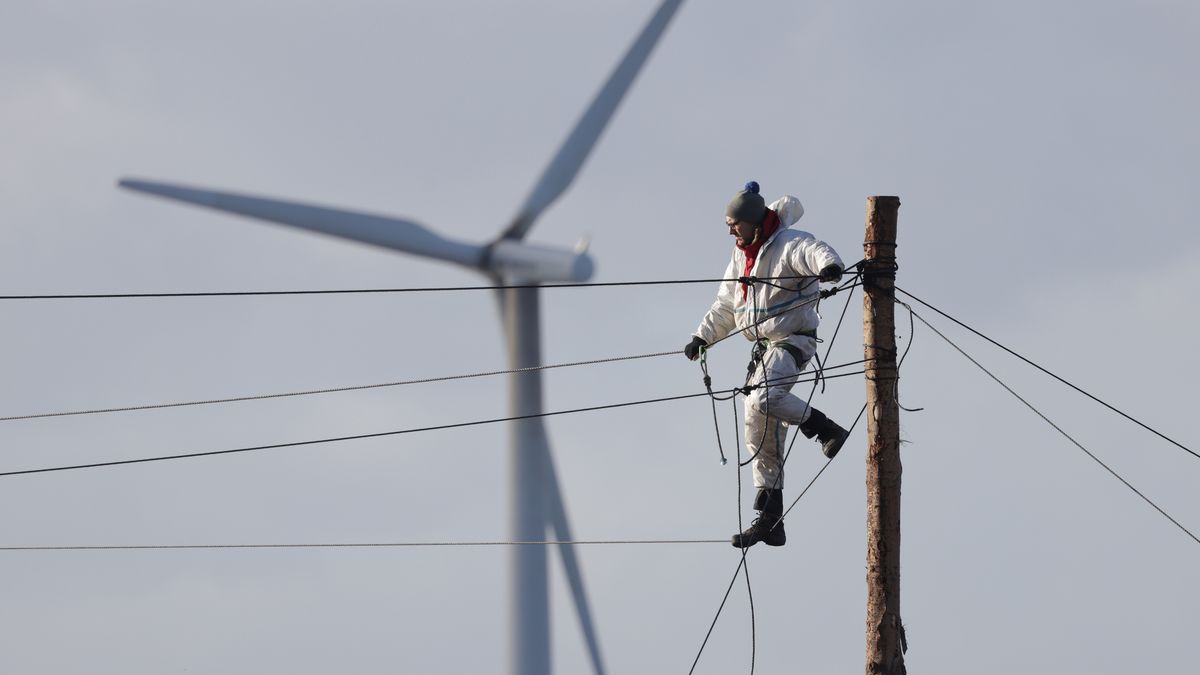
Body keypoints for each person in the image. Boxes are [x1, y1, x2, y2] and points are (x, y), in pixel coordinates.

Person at [684, 181, 849, 549]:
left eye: (734, 223)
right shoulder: (740, 256)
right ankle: (770, 520)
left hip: (792, 340)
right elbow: (727, 304)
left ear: (754, 222)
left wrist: (830, 267)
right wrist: (702, 337)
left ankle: (825, 429)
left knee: (763, 399)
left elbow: (814, 250)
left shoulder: (788, 242)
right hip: (764, 347)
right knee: (756, 425)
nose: (729, 230)